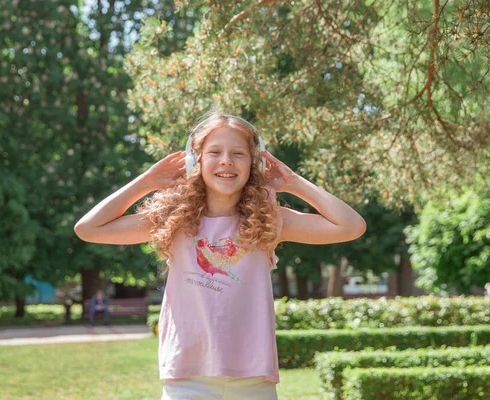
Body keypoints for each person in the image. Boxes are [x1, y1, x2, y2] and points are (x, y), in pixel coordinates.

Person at [74, 111, 366, 400]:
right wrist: (147, 182)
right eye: (215, 152)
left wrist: (294, 182)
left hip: (254, 381)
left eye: (238, 153)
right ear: (195, 161)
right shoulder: (173, 221)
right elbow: (88, 228)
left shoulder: (269, 219)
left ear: (254, 164)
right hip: (188, 380)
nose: (226, 160)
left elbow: (352, 226)